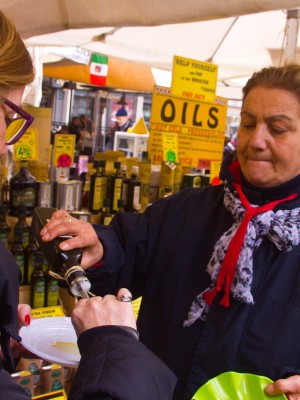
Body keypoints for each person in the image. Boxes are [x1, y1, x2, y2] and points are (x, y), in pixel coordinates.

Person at [42, 63, 300, 400]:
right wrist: (98, 246)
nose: (257, 141)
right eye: (248, 124)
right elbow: (125, 246)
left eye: (277, 129)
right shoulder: (184, 210)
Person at [0, 10, 176, 400]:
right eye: (11, 115)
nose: (5, 144)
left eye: (278, 128)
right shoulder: (190, 208)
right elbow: (139, 244)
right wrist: (114, 346)